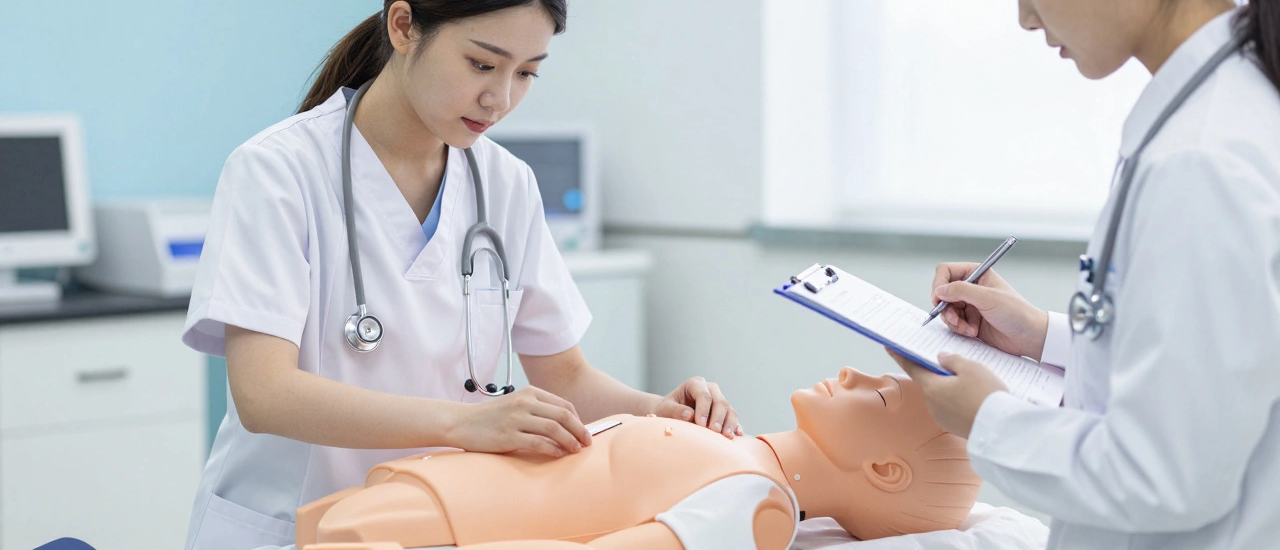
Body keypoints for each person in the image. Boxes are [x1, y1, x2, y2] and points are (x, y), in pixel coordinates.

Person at [179, 0, 741, 550]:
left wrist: (662, 413)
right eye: (482, 64)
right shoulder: (278, 172)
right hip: (293, 528)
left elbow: (567, 378)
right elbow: (264, 393)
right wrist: (464, 423)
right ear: (404, 27)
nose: (500, 99)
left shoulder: (505, 184)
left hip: (435, 525)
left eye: (527, 72)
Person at [888, 0, 1280, 549]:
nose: (1025, 17)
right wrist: (1045, 339)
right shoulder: (1226, 110)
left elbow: (1168, 476)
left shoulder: (1203, 161)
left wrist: (989, 419)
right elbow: (1219, 363)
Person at [294, 367, 981, 549]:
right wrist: (655, 407)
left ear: (887, 472)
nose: (852, 373)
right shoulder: (736, 447)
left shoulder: (761, 511)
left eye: (882, 397)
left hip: (440, 528)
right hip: (428, 487)